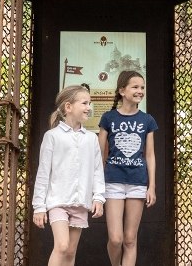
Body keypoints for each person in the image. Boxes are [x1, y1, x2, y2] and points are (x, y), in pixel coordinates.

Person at [33, 85, 106, 266]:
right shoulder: (52, 136)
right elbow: (43, 173)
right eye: (84, 103)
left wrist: (99, 197)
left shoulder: (91, 139)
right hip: (57, 201)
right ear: (68, 107)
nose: (89, 107)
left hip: (81, 202)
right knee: (62, 246)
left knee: (71, 251)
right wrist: (39, 206)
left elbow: (97, 170)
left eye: (89, 103)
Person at [98, 70, 158, 266]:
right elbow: (99, 154)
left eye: (142, 87)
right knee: (116, 239)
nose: (140, 91)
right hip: (113, 182)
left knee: (130, 239)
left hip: (137, 183)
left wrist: (151, 187)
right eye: (135, 87)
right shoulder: (108, 118)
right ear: (122, 91)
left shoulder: (147, 120)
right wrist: (96, 186)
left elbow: (149, 155)